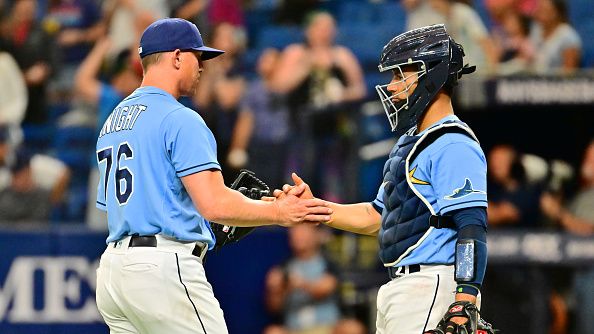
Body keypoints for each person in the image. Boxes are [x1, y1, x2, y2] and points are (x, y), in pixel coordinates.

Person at [94, 18, 332, 334]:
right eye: (197, 56)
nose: (202, 66)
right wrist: (277, 211)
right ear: (176, 57)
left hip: (114, 272)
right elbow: (215, 204)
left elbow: (125, 203)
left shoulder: (113, 121)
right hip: (162, 268)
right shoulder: (180, 118)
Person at [277, 24, 488, 333]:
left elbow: (471, 224)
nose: (391, 87)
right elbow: (376, 217)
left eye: (400, 75)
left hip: (432, 284)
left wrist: (466, 297)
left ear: (431, 74)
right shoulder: (410, 141)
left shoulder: (453, 143)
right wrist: (314, 208)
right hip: (400, 287)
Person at [264, 224, 340, 334]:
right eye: (295, 233)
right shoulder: (283, 267)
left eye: (303, 232)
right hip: (294, 329)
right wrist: (276, 290)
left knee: (352, 328)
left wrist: (299, 283)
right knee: (272, 332)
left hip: (328, 327)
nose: (298, 236)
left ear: (316, 235)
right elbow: (273, 307)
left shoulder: (328, 263)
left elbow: (325, 289)